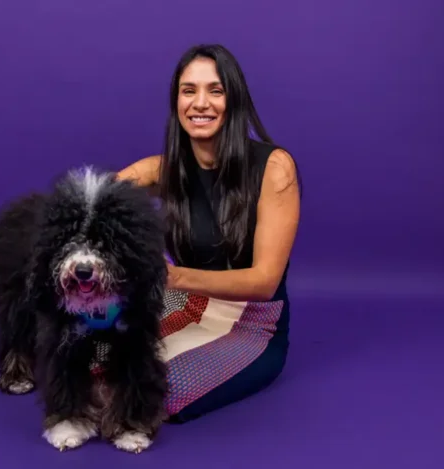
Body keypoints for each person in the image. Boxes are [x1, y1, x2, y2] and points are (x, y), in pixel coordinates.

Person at [116, 44, 301, 423]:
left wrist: (172, 277)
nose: (200, 103)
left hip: (252, 325)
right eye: (189, 91)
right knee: (94, 355)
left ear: (234, 100)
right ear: (177, 102)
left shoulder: (274, 167)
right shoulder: (162, 170)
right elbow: (92, 202)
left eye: (215, 91)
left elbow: (265, 282)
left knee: (154, 390)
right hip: (183, 303)